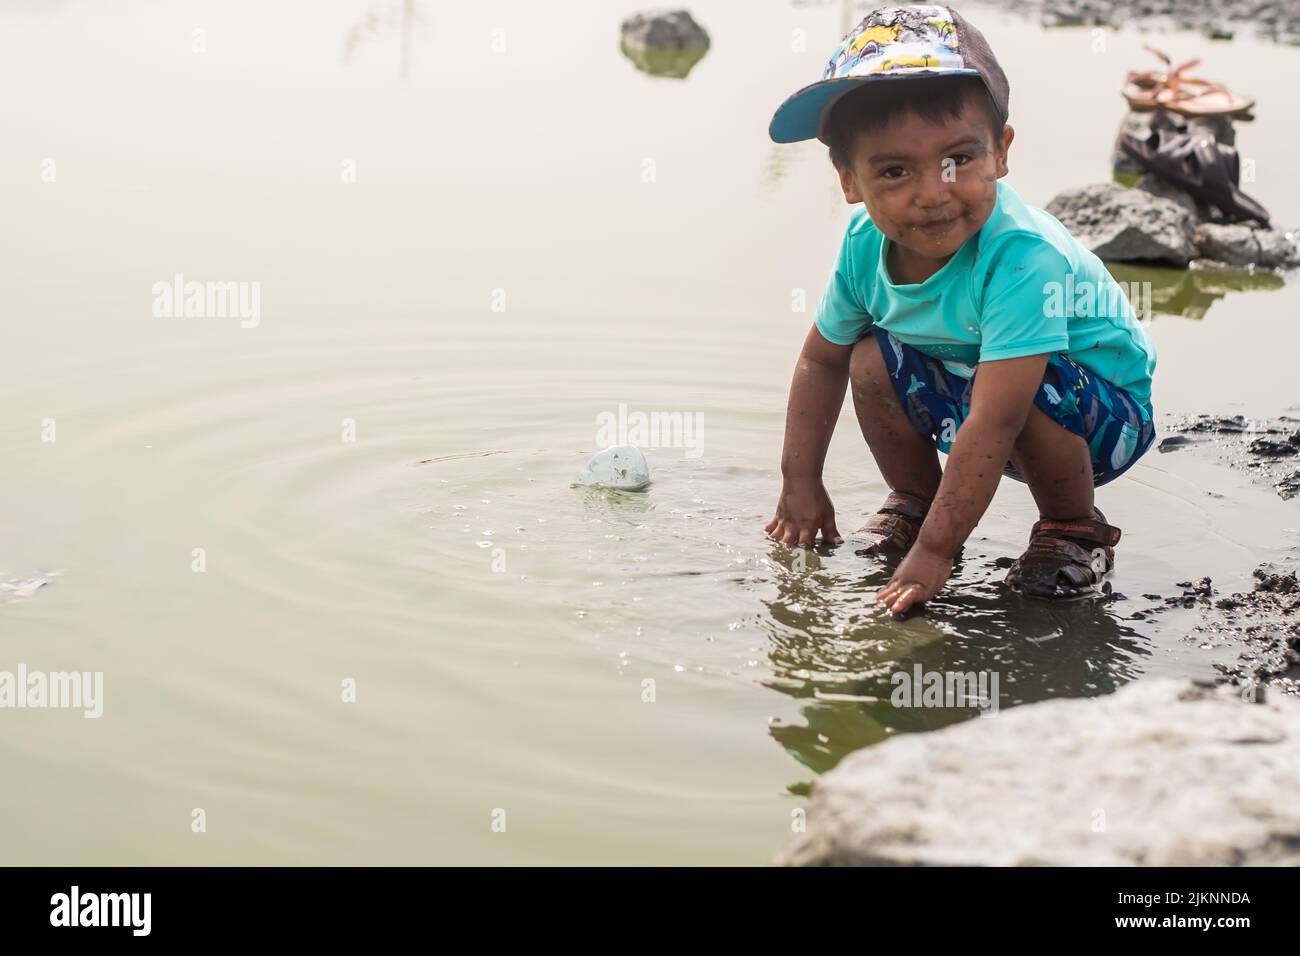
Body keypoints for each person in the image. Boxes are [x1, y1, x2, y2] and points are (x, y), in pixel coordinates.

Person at [763, 4, 1157, 613]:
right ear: (849, 181)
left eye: (959, 160)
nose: (932, 193)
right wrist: (801, 481)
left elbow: (997, 418)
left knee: (1028, 383)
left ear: (1001, 151)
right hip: (987, 391)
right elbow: (822, 361)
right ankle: (914, 501)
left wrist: (938, 554)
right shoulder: (864, 244)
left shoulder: (1023, 256)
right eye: (894, 171)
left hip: (1102, 417)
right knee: (869, 356)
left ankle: (1073, 528)